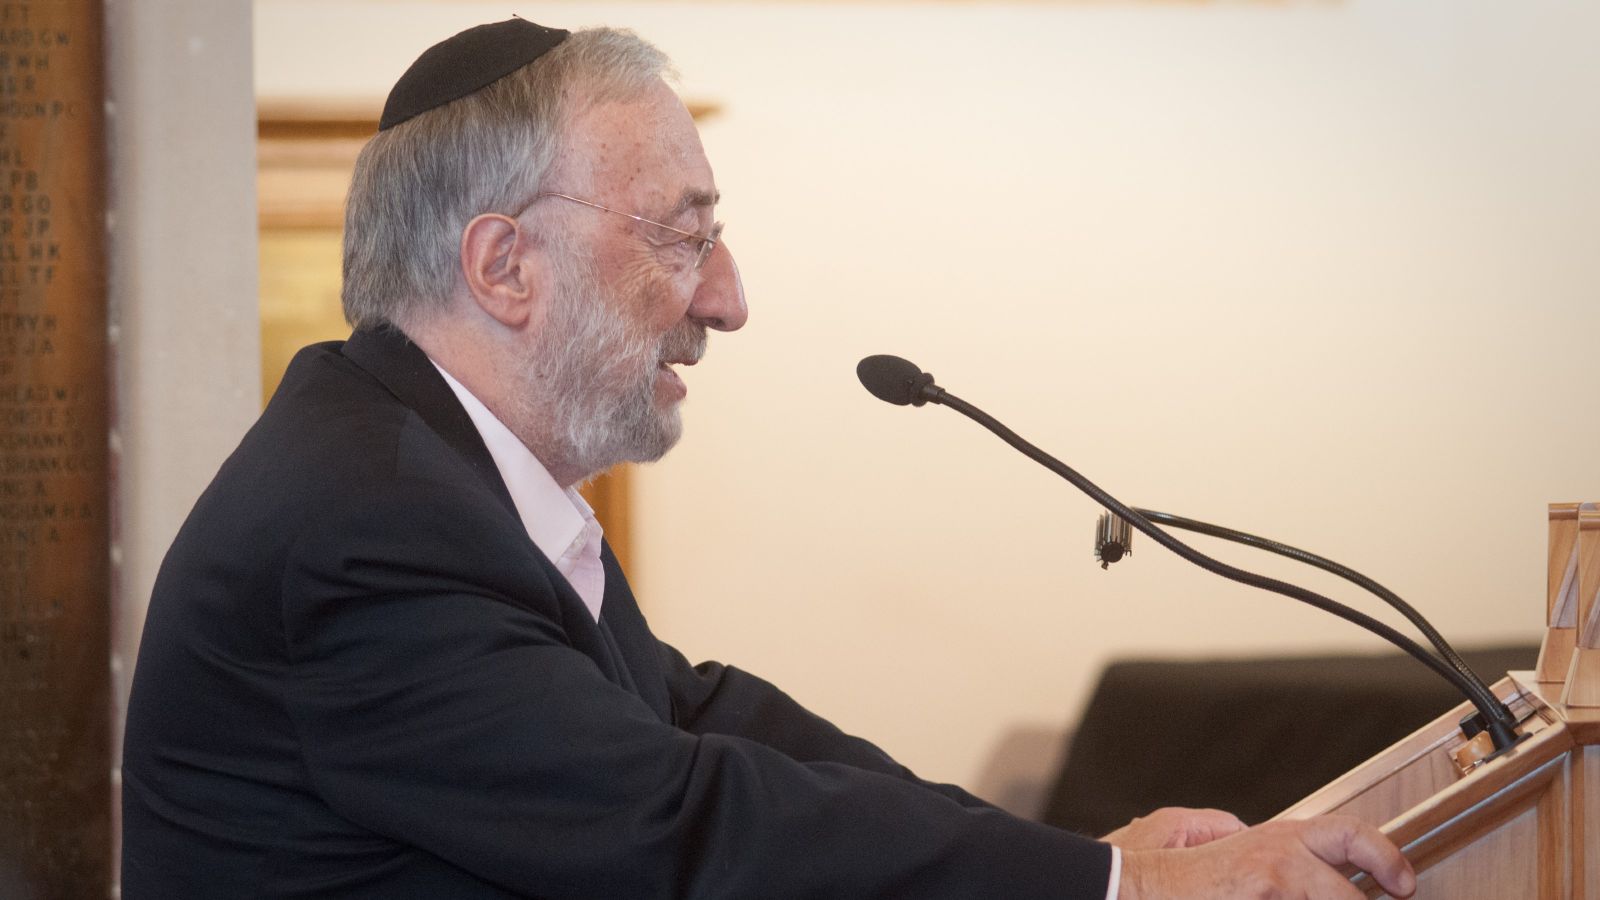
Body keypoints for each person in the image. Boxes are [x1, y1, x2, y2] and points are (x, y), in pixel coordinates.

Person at [121, 19, 1415, 899]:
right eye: (681, 239)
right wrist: (1118, 887)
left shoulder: (422, 469)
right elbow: (678, 822)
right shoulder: (363, 526)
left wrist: (1073, 858)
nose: (727, 298)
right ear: (505, 265)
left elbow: (698, 713)